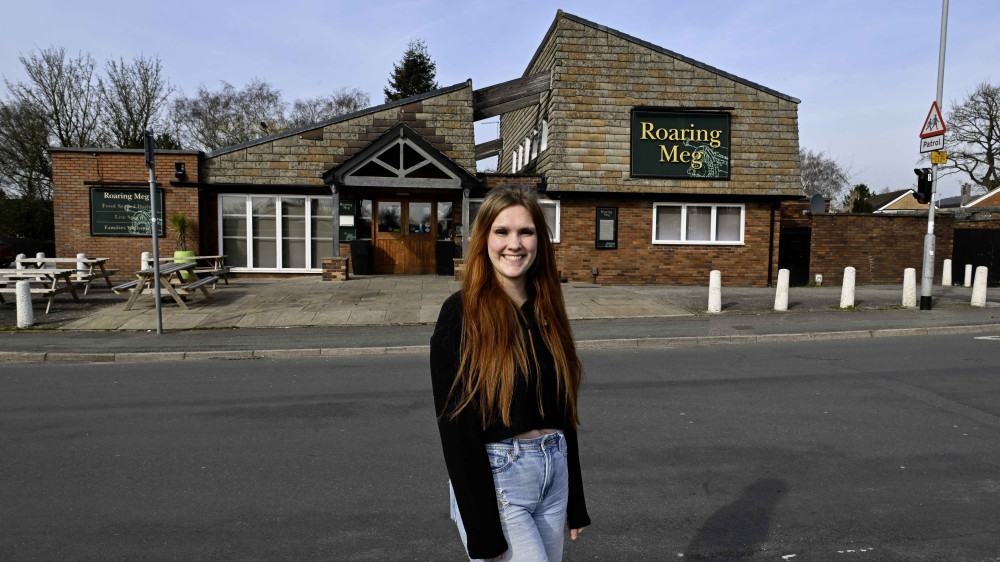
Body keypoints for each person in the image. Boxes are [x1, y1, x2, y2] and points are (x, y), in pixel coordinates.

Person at [430, 185, 590, 561]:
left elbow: (563, 407)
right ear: (484, 237)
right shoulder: (461, 313)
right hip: (501, 480)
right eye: (502, 231)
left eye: (526, 232)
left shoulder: (548, 308)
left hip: (555, 473)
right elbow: (456, 427)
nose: (514, 244)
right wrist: (481, 530)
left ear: (540, 240)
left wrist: (576, 500)